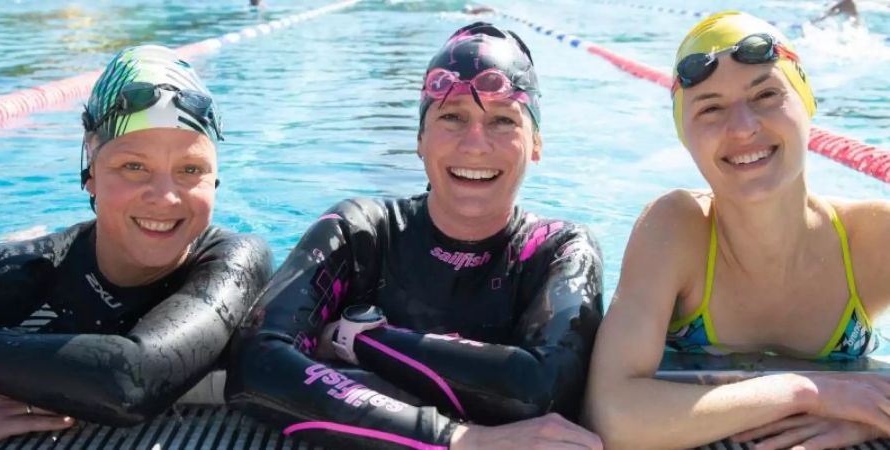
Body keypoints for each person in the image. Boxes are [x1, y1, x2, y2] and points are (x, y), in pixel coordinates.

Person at [226, 22, 605, 450]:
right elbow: (255, 364)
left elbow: (542, 390)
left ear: (535, 142)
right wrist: (462, 439)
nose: (475, 144)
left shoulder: (561, 250)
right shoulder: (361, 232)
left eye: (502, 120)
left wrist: (361, 339)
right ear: (420, 139)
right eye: (452, 117)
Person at [586, 10, 890, 450]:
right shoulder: (675, 228)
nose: (743, 127)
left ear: (807, 103)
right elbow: (611, 415)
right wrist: (806, 392)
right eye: (711, 107)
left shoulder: (872, 239)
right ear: (684, 135)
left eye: (766, 94)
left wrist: (873, 419)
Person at [0, 45, 272, 443]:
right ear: (90, 174)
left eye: (190, 170)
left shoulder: (235, 261)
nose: (165, 197)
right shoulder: (30, 268)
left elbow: (131, 382)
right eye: (133, 166)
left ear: (215, 182)